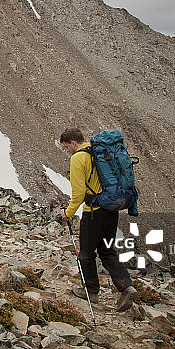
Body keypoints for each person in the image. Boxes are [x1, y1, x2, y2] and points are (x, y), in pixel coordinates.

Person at [59, 127, 138, 312]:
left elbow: (78, 194)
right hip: (111, 210)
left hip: (93, 212)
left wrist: (68, 213)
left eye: (66, 147)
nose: (67, 151)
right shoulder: (98, 151)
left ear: (73, 142)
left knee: (86, 253)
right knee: (107, 251)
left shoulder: (78, 158)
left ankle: (91, 291)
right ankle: (126, 287)